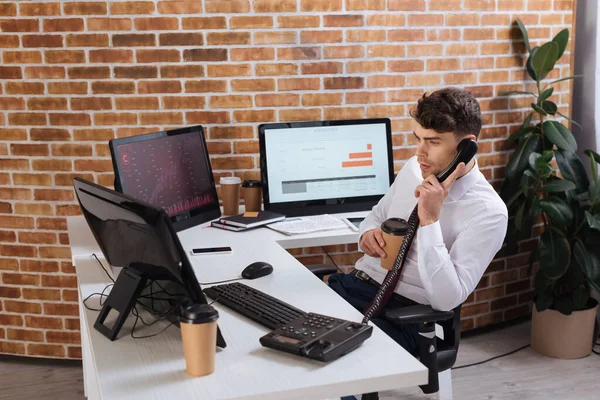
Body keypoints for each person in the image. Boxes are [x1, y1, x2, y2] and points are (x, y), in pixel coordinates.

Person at [329, 87, 508, 357]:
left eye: (433, 142)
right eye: (418, 138)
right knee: (279, 330)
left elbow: (447, 298)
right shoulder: (416, 166)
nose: (420, 152)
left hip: (407, 318)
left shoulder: (488, 211)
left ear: (467, 146)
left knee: (326, 356)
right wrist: (366, 233)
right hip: (356, 287)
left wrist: (430, 220)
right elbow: (377, 215)